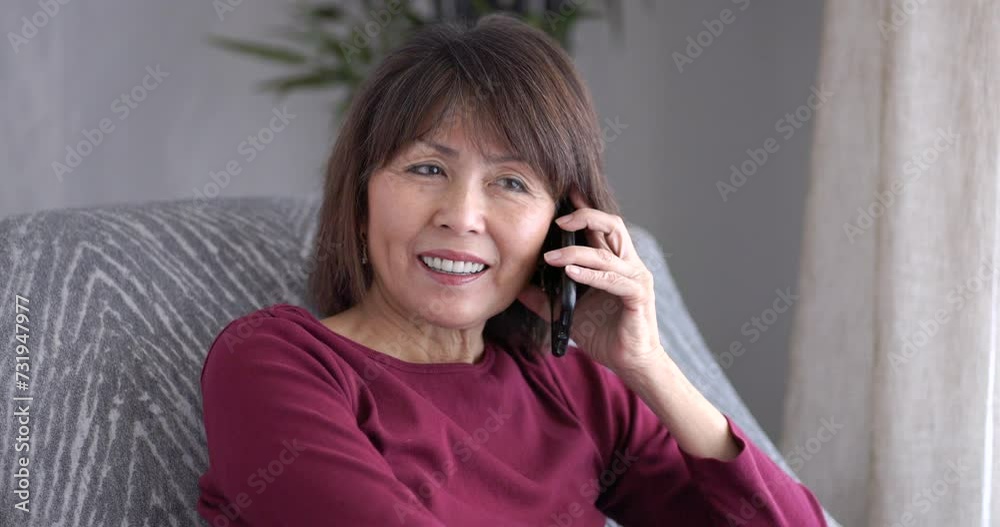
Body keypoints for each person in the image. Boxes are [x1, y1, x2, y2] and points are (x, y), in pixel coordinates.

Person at [196, 13, 828, 527]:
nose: (463, 216)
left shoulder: (570, 387)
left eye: (510, 182)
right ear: (361, 200)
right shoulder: (274, 362)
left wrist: (650, 367)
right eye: (426, 169)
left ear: (561, 224)